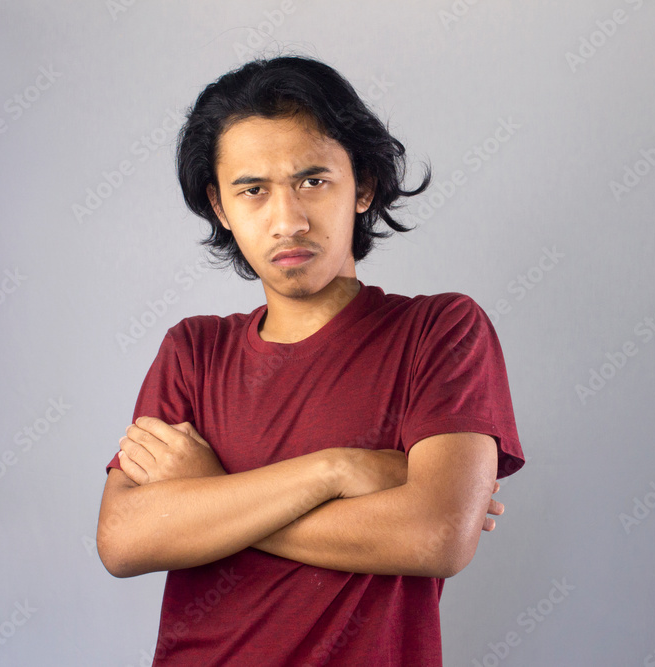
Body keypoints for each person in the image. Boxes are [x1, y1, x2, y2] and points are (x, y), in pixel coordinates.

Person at [96, 54, 525, 666]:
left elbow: (434, 536)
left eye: (313, 181)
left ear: (364, 186)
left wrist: (211, 496)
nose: (288, 220)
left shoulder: (440, 332)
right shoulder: (194, 351)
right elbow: (124, 539)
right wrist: (335, 472)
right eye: (253, 191)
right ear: (221, 207)